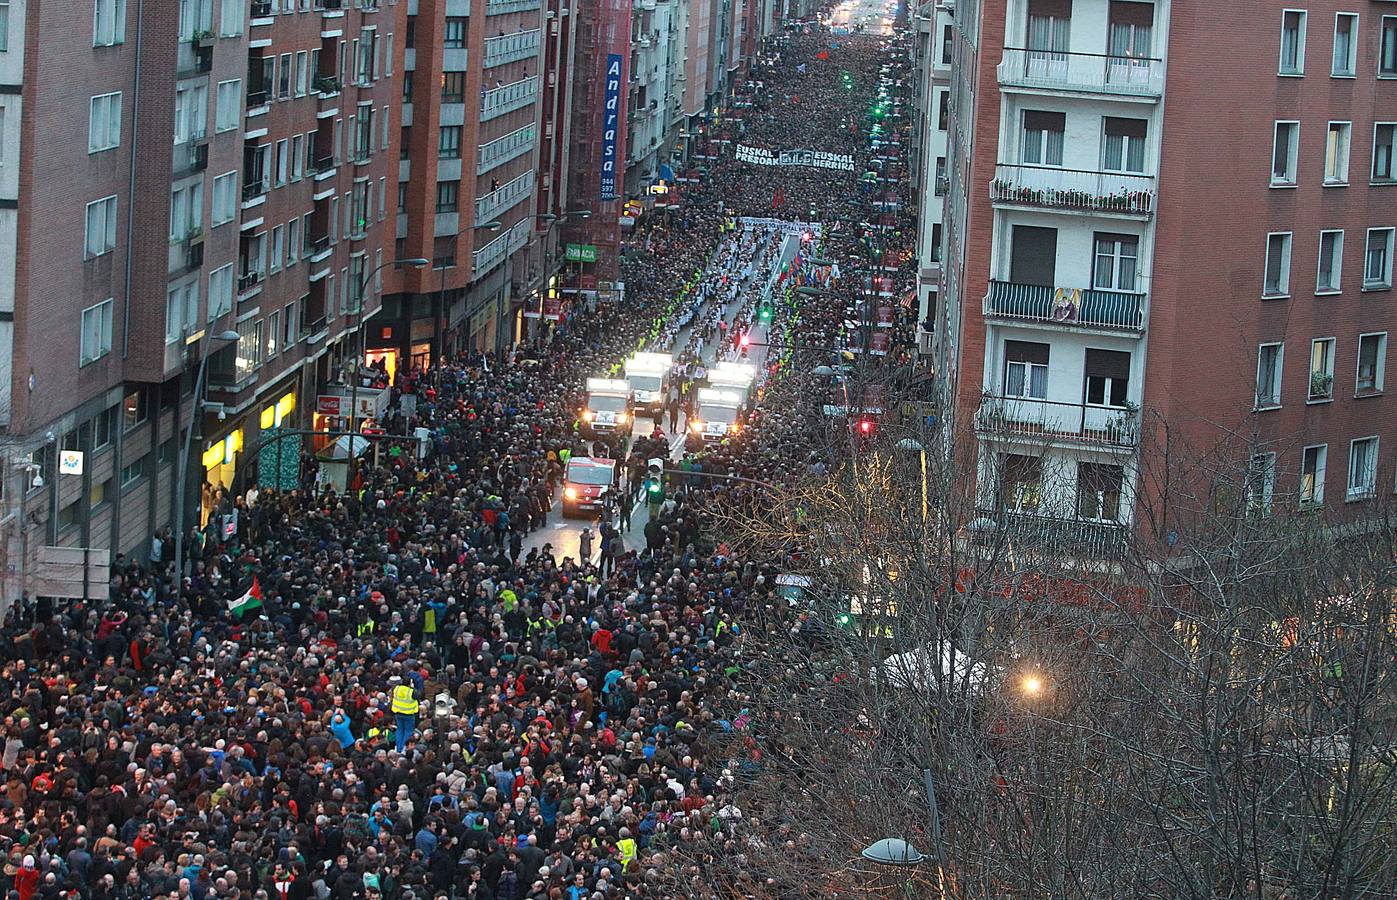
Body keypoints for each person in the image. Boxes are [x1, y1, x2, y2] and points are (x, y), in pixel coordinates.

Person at [390, 676, 420, 754]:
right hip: (408, 714)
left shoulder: (396, 689)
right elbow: (418, 695)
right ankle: (404, 749)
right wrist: (412, 687)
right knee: (408, 732)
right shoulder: (411, 691)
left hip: (398, 713)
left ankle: (398, 749)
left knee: (399, 730)